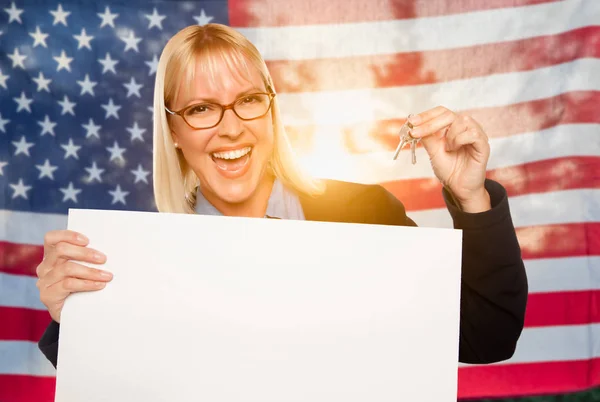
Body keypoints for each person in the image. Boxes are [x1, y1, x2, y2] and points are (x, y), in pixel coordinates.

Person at [36, 23, 528, 369]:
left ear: (271, 110)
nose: (231, 129)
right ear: (174, 132)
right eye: (202, 108)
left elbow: (489, 334)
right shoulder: (136, 258)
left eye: (248, 100)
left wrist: (470, 196)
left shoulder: (365, 215)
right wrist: (74, 317)